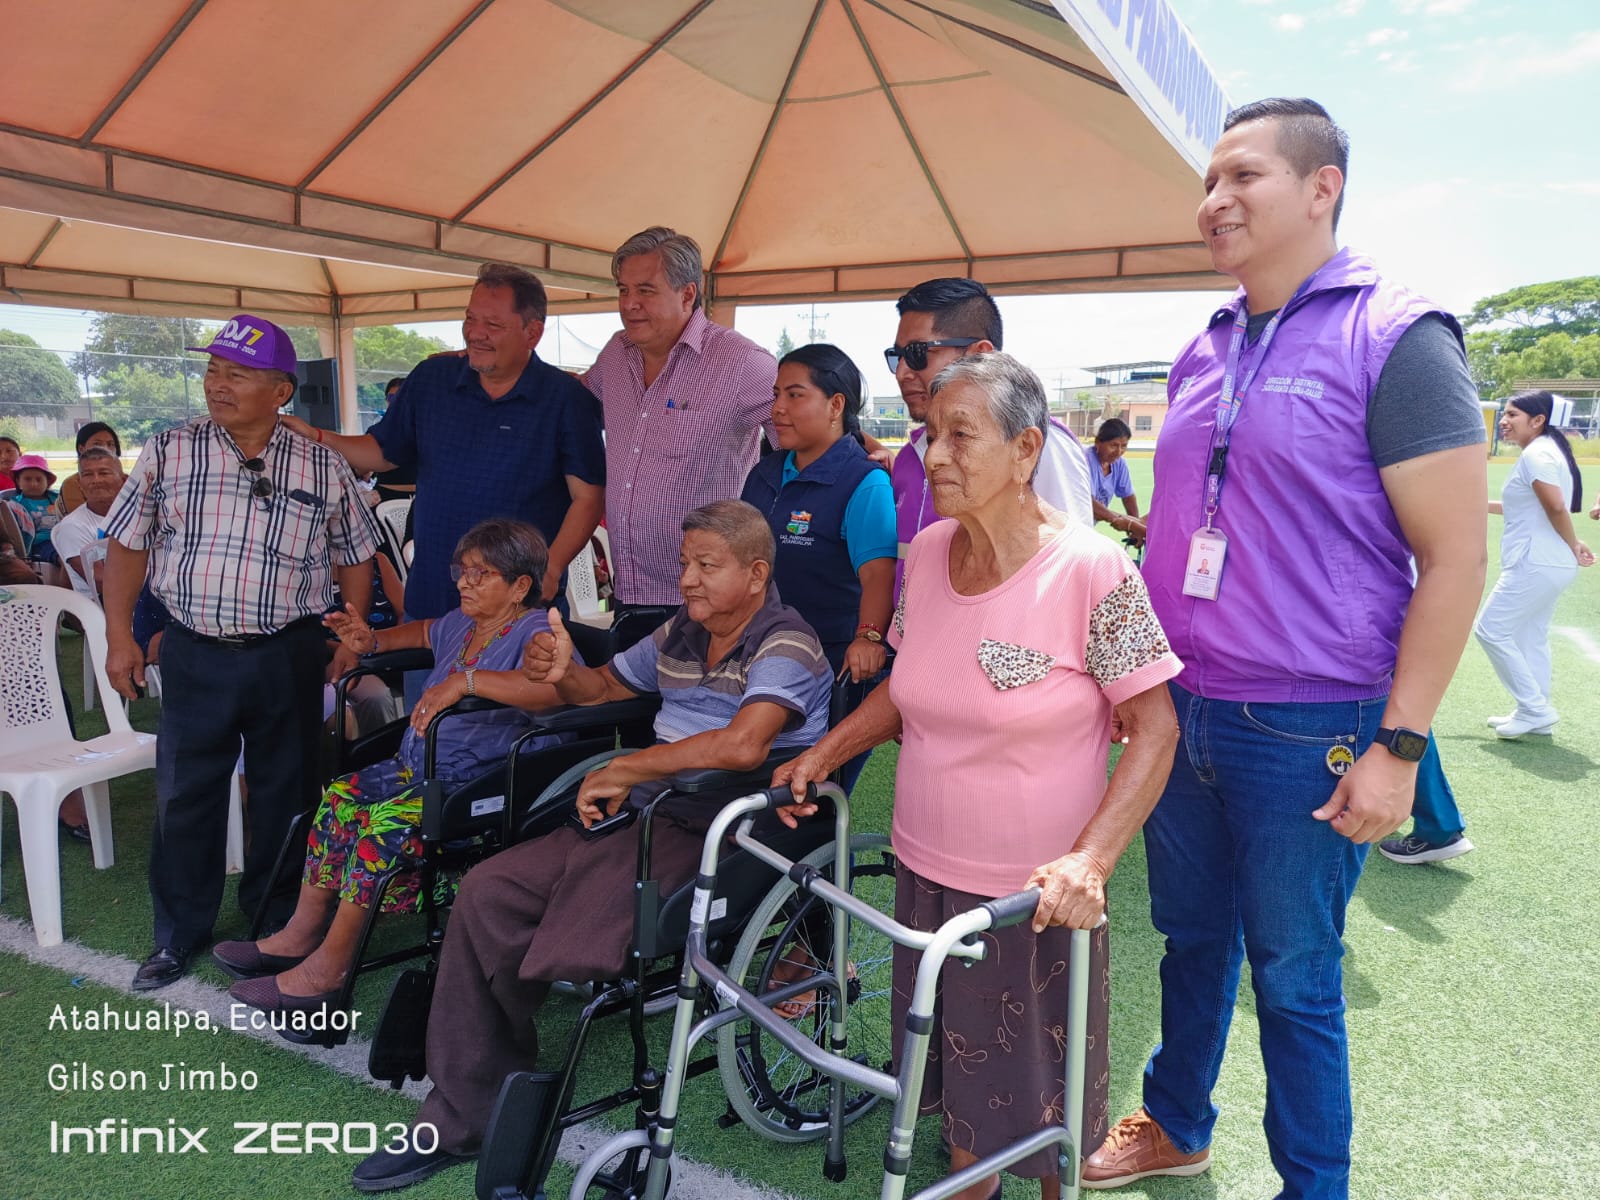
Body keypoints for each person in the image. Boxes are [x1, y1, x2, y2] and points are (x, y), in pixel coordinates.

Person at [1082, 99, 1489, 1199]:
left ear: (1322, 188)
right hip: (1184, 707)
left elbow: (1455, 558)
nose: (1213, 200)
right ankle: (1177, 1123)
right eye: (1208, 182)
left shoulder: (1397, 334)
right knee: (1188, 939)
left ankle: (1315, 1186)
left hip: (1310, 719)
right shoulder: (1205, 343)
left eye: (1242, 177)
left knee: (1296, 977)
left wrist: (1400, 746)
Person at [771, 353, 1180, 1200]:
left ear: (1026, 449)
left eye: (961, 435)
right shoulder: (925, 554)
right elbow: (908, 685)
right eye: (930, 434)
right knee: (963, 1107)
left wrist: (1091, 862)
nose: (935, 455)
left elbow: (1155, 730)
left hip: (1032, 899)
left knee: (1047, 1113)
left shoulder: (1091, 569)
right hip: (925, 878)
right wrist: (825, 753)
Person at [348, 499, 830, 1193]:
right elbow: (601, 686)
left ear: (756, 574)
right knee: (487, 891)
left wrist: (629, 767)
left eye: (706, 565)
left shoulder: (788, 641)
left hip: (728, 821)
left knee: (581, 914)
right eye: (684, 563)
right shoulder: (683, 630)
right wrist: (562, 671)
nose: (687, 579)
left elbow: (744, 744)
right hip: (648, 808)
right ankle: (464, 1109)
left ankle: (503, 1093)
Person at [103, 313, 381, 992]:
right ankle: (178, 934)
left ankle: (275, 921)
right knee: (185, 796)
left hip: (288, 652)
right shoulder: (169, 450)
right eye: (212, 370)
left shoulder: (322, 464)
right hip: (195, 650)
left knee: (287, 791)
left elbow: (355, 553)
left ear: (281, 391)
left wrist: (348, 635)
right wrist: (118, 636)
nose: (217, 385)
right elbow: (127, 545)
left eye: (237, 373)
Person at [217, 519, 570, 1019]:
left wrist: (467, 682)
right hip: (420, 766)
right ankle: (301, 934)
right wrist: (372, 641)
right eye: (462, 570)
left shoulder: (536, 631)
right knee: (340, 797)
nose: (465, 582)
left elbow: (554, 690)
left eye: (481, 573)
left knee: (382, 825)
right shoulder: (463, 623)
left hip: (478, 783)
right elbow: (424, 630)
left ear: (519, 587)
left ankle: (329, 971)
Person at [282, 262, 606, 618]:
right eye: (470, 319)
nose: (475, 333)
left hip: (516, 608)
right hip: (432, 600)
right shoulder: (432, 379)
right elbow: (382, 452)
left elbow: (589, 498)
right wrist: (318, 436)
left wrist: (553, 567)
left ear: (533, 333)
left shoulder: (566, 399)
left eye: (493, 325)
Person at [582, 226, 777, 630]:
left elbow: (807, 431)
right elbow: (571, 402)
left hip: (707, 600)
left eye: (645, 290)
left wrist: (863, 449)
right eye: (623, 290)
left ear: (688, 295)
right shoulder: (616, 353)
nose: (629, 304)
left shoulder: (741, 362)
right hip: (629, 593)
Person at [740, 343, 896, 792]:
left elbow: (878, 574)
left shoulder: (864, 481)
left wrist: (868, 637)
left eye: (794, 395)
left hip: (832, 663)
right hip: (760, 654)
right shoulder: (764, 472)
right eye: (776, 395)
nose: (777, 409)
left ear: (835, 405)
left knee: (813, 789)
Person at [886, 277, 1094, 599]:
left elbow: (1070, 570)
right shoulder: (911, 454)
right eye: (896, 356)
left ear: (980, 354)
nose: (902, 373)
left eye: (916, 353)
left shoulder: (1036, 445)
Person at [1475, 390, 1593, 738]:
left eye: (1513, 414)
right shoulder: (1547, 451)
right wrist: (1472, 504)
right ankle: (1535, 710)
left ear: (1538, 420)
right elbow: (1533, 506)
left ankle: (1535, 709)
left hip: (1537, 561)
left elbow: (1556, 506)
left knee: (1490, 629)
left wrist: (1573, 543)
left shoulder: (1537, 454)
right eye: (1505, 414)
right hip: (1546, 562)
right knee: (1531, 636)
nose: (1504, 421)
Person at [8, 452, 65, 582]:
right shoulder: (14, 505)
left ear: (48, 482)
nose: (34, 484)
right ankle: (65, 590)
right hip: (40, 545)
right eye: (28, 479)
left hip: (64, 538)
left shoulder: (58, 500)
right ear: (18, 481)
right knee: (65, 558)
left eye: (39, 479)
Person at [1086, 418, 1145, 541]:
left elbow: (1128, 497)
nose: (1119, 452)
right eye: (1113, 445)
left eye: (1124, 446)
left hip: (1086, 525)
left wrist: (1136, 527)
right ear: (1098, 442)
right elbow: (1088, 504)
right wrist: (1130, 524)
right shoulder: (1085, 460)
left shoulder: (1119, 463)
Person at [57, 422, 122, 513]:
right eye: (97, 444)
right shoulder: (72, 483)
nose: (105, 448)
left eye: (110, 444)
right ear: (81, 448)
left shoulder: (127, 479)